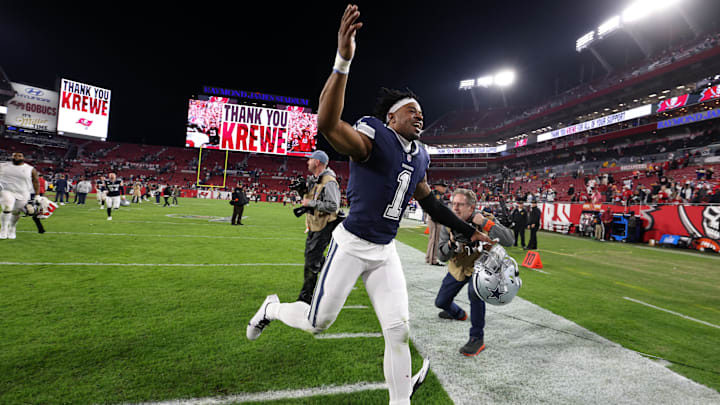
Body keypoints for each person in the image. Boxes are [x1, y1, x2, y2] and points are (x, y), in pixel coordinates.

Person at [246, 6, 492, 404]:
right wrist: (343, 59)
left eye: (421, 111)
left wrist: (469, 230)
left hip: (384, 250)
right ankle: (272, 308)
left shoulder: (421, 156)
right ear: (392, 118)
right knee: (317, 322)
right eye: (412, 110)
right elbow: (328, 125)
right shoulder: (372, 139)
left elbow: (430, 203)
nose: (420, 115)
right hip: (352, 244)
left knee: (398, 330)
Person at [435, 189, 513, 356]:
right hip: (458, 268)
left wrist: (486, 224)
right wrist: (450, 245)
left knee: (475, 293)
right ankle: (459, 314)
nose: (455, 208)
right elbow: (440, 257)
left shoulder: (485, 219)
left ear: (471, 208)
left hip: (480, 269)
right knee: (441, 302)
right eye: (453, 203)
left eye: (460, 204)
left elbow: (510, 239)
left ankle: (477, 338)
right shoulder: (448, 224)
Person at [295, 150, 343, 304]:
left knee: (311, 261)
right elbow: (312, 199)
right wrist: (302, 191)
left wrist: (311, 203)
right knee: (312, 258)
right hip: (315, 224)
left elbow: (333, 205)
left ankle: (306, 298)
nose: (307, 162)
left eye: (310, 159)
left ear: (317, 162)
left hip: (325, 225)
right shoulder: (317, 179)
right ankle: (333, 276)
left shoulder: (328, 181)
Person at [0, 152, 41, 239]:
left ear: (23, 157)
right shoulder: (3, 166)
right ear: (11, 157)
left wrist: (37, 195)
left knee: (16, 212)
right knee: (7, 208)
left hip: (23, 193)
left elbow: (36, 182)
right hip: (6, 190)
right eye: (15, 155)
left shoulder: (30, 169)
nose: (17, 157)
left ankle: (12, 228)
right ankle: (3, 229)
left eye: (19, 156)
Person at [425, 180, 448, 266]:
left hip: (433, 218)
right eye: (443, 186)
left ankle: (428, 258)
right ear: (437, 186)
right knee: (435, 240)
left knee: (432, 239)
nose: (445, 188)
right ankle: (433, 260)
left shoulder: (434, 194)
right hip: (435, 219)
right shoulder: (437, 195)